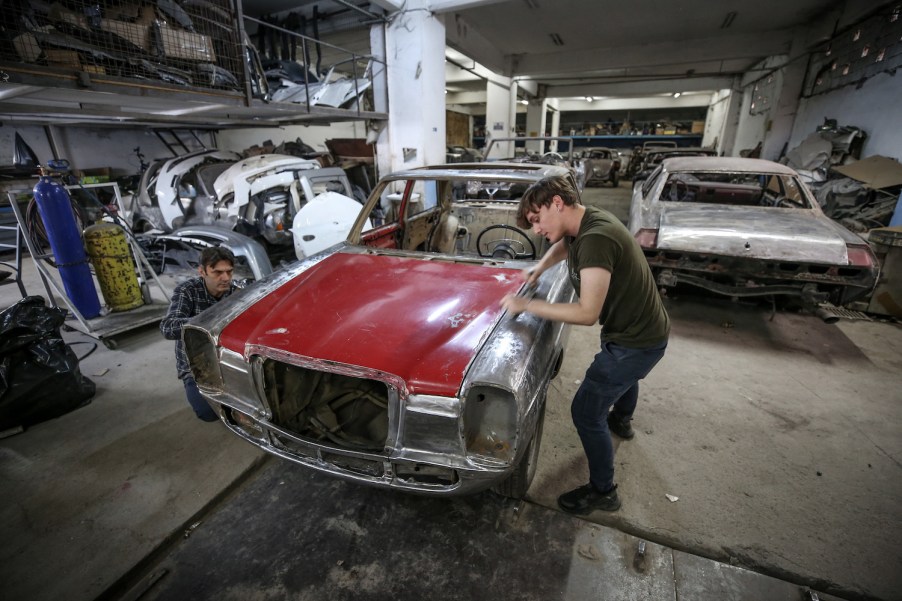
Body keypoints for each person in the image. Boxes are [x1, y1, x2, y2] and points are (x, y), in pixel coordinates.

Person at [500, 175, 669, 513]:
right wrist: (540, 266)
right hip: (638, 329)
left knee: (585, 411)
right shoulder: (585, 222)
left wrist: (527, 306)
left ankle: (604, 491)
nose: (535, 230)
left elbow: (587, 312)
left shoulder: (596, 239)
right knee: (621, 376)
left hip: (636, 342)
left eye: (537, 219)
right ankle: (621, 420)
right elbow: (565, 245)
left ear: (557, 204)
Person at [160, 247, 237, 422]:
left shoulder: (236, 290)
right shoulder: (187, 291)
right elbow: (168, 327)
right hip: (197, 365)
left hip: (226, 359)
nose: (225, 278)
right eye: (217, 272)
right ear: (202, 271)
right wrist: (208, 319)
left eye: (229, 272)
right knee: (208, 414)